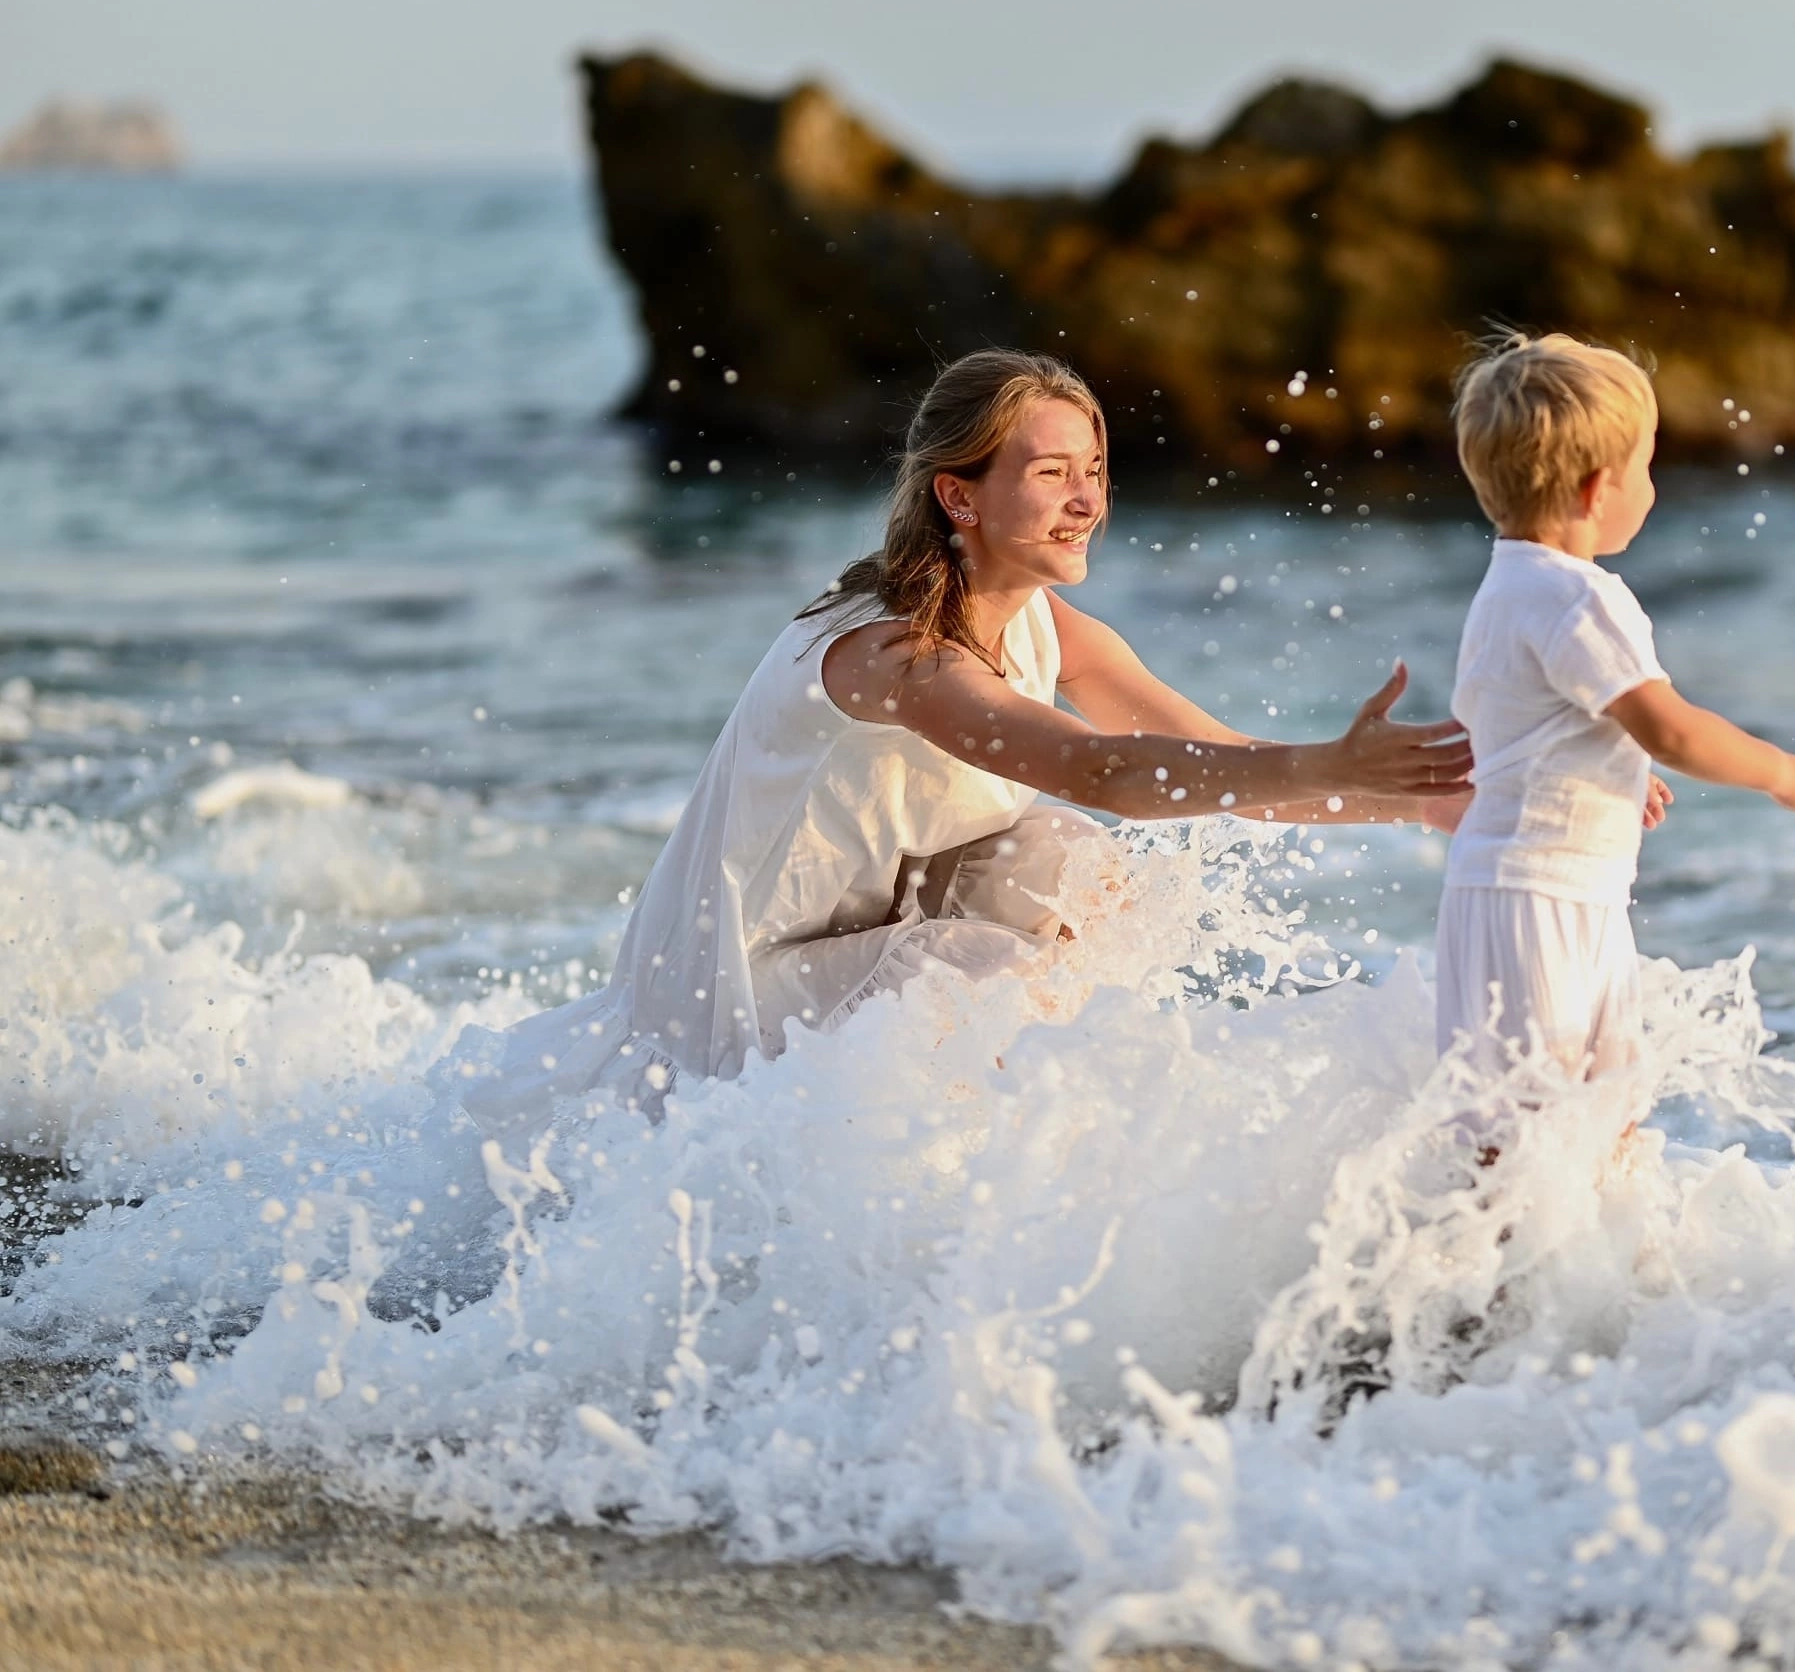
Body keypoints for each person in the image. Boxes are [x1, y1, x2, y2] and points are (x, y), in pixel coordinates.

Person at [447, 348, 1471, 1143]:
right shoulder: (894, 656)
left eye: (1095, 472)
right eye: (1053, 473)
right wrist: (1330, 762)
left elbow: (1227, 764)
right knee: (981, 959)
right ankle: (987, 1192)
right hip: (725, 1000)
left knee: (1070, 867)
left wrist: (1431, 799)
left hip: (853, 950)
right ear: (960, 494)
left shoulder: (1046, 626)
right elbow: (1102, 771)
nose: (1088, 501)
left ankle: (1059, 1146)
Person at [1435, 332, 1795, 1091]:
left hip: (1529, 889)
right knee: (1539, 1121)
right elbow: (1672, 728)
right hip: (1543, 898)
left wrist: (1611, 769)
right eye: (1647, 465)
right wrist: (1782, 771)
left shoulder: (1507, 587)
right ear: (1596, 491)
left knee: (1590, 1111)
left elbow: (1522, 725)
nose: (1654, 485)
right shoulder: (1580, 597)